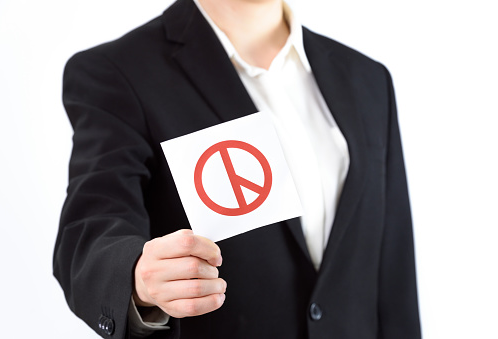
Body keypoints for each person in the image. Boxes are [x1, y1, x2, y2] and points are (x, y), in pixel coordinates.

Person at [53, 0, 422, 338]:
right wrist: (137, 275)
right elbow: (90, 233)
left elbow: (393, 274)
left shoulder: (366, 78)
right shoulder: (120, 72)